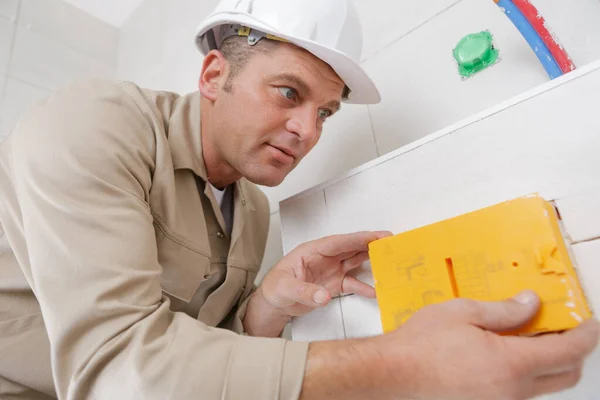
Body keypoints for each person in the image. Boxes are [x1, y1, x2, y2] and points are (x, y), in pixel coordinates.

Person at [0, 0, 597, 398]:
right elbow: (116, 369)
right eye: (289, 93)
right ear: (213, 76)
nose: (308, 132)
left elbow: (219, 353)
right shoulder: (95, 124)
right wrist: (401, 366)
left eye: (324, 114)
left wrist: (269, 304)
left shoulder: (254, 208)